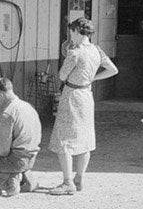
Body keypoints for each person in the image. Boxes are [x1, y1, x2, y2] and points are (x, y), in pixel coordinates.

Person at [46, 19, 118, 195]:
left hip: (71, 95)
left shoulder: (75, 52)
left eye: (72, 31)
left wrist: (69, 59)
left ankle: (67, 182)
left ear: (78, 31)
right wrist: (93, 78)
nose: (70, 34)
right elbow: (113, 70)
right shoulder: (96, 50)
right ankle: (79, 179)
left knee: (64, 140)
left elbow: (62, 76)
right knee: (84, 139)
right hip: (87, 95)